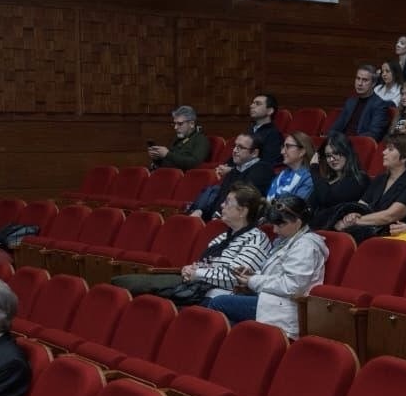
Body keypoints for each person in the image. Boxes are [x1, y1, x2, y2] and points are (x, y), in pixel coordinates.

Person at [205, 194, 327, 340]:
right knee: (221, 298)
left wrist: (253, 280)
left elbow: (292, 286)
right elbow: (276, 274)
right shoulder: (286, 239)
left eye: (280, 225)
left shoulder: (305, 245)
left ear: (298, 222)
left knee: (219, 303)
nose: (274, 230)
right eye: (274, 224)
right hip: (273, 299)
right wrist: (252, 274)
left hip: (286, 308)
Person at [116, 187, 269, 302]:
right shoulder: (223, 236)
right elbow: (205, 264)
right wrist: (191, 269)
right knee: (124, 282)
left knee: (130, 285)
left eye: (227, 202)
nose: (222, 205)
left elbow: (235, 278)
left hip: (213, 292)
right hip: (195, 284)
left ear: (242, 211)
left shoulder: (255, 239)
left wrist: (198, 273)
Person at [333, 133, 406, 242]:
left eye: (390, 150)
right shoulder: (381, 178)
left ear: (404, 157)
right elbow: (361, 205)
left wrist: (355, 221)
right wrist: (352, 215)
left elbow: (389, 216)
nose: (383, 152)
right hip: (368, 230)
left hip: (388, 236)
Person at [184, 133, 272, 220]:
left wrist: (218, 216)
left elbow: (243, 201)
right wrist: (201, 211)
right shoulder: (234, 171)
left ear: (254, 153)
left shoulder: (262, 170)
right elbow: (220, 198)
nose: (234, 150)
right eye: (235, 146)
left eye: (240, 147)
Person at [309, 133, 369, 226]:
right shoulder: (328, 180)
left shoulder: (359, 178)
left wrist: (314, 169)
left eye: (336, 153)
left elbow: (328, 200)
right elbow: (310, 205)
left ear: (347, 153)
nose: (332, 159)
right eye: (328, 155)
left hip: (336, 231)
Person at [327, 63, 391, 139]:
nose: (360, 83)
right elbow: (336, 127)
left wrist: (348, 140)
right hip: (340, 144)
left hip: (359, 144)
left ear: (373, 83)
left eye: (365, 80)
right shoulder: (350, 102)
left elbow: (374, 134)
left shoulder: (380, 105)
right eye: (358, 78)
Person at [147, 105, 210, 171]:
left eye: (180, 124)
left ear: (191, 124)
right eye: (175, 124)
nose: (175, 127)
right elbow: (171, 163)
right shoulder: (177, 139)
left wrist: (167, 154)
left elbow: (195, 163)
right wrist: (157, 159)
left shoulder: (201, 140)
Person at [265, 132, 317, 201]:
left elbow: (296, 208)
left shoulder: (309, 178)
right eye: (283, 147)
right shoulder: (282, 174)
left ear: (302, 151)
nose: (282, 152)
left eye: (288, 146)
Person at [244, 93, 284, 167]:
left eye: (258, 104)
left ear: (270, 111)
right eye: (252, 103)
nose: (251, 106)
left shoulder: (274, 135)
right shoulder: (250, 130)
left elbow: (267, 163)